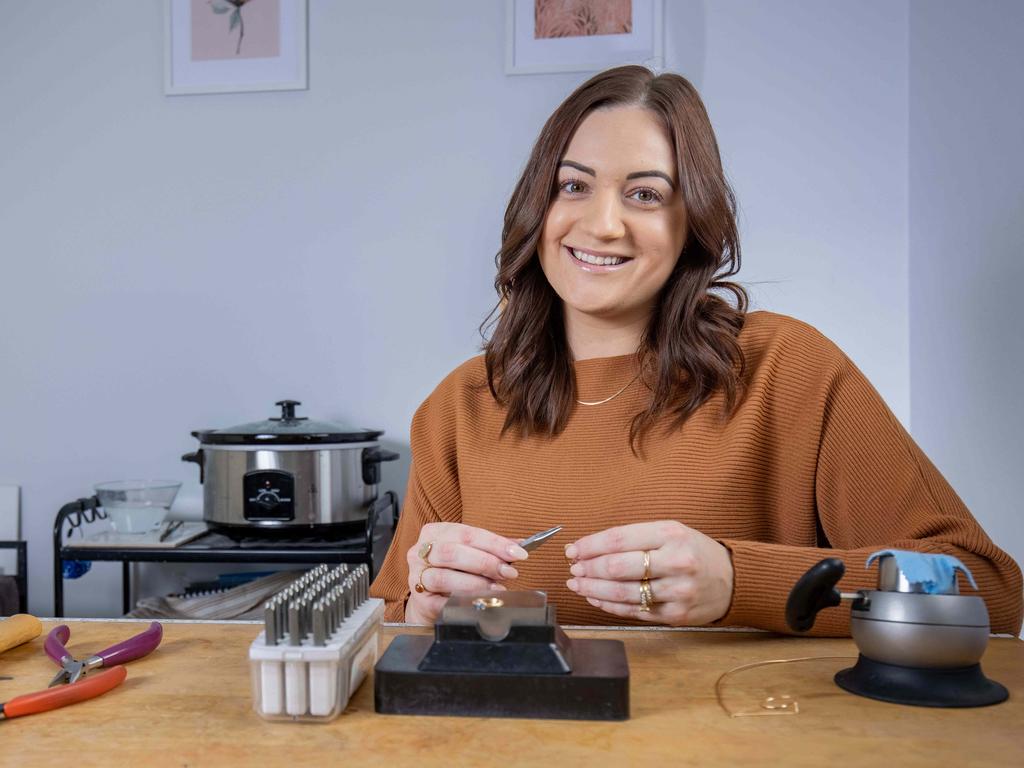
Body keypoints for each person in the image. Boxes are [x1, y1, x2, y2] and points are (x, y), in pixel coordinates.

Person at [369, 65, 1022, 636]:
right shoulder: (459, 407)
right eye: (574, 186)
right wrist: (421, 610)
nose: (601, 223)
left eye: (645, 194)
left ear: (693, 225)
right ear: (538, 206)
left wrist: (741, 583)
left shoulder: (789, 370)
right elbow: (389, 619)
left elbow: (988, 591)